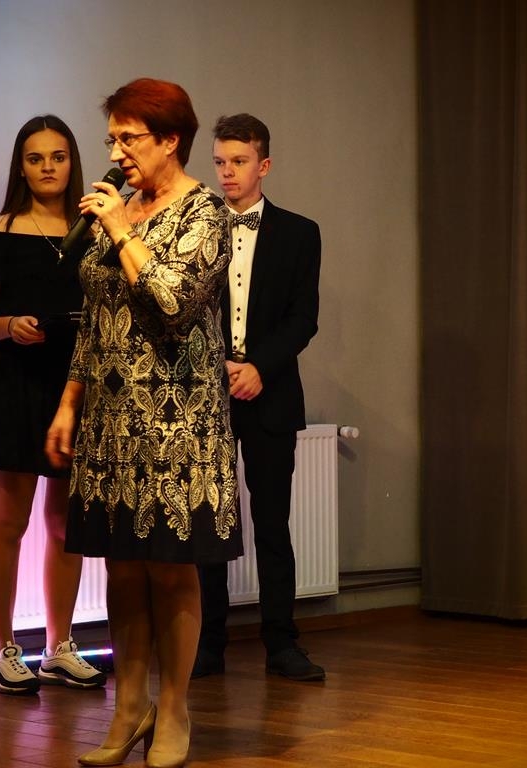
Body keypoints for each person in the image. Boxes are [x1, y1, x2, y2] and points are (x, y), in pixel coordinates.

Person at [46, 78, 241, 768]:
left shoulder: (206, 212)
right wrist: (69, 402)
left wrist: (122, 231)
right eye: (112, 140)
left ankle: (175, 709)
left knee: (170, 569)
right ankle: (129, 709)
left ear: (170, 140)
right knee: (122, 567)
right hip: (110, 423)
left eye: (129, 139)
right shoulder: (119, 210)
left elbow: (172, 302)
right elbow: (95, 320)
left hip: (178, 424)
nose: (116, 153)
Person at [0, 114, 107, 696]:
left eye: (58, 156)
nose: (48, 167)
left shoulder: (97, 228)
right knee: (10, 521)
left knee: (66, 524)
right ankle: (2, 651)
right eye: (35, 158)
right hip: (14, 384)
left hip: (77, 386)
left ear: (73, 163)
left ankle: (59, 648)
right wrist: (9, 325)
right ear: (20, 167)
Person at [193, 113, 324, 682]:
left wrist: (258, 368)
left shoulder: (300, 233)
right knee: (208, 527)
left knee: (273, 522)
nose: (227, 172)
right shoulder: (196, 229)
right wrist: (218, 367)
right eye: (220, 162)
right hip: (206, 394)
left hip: (270, 394)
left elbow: (303, 318)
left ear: (263, 165)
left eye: (239, 161)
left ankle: (281, 644)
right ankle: (207, 645)